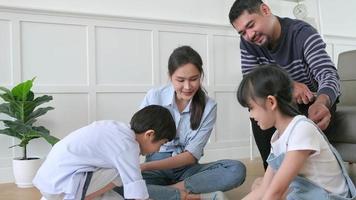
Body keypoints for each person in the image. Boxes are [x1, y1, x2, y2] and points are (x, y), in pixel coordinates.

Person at [229, 0, 341, 169]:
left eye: (251, 25)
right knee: (258, 104)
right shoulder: (248, 43)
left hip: (314, 101)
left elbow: (328, 75)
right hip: (279, 101)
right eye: (242, 32)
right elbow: (251, 83)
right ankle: (272, 173)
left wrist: (321, 102)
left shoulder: (303, 33)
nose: (249, 35)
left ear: (265, 10)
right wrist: (287, 85)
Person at [138, 46, 246, 200]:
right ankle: (197, 196)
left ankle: (167, 193)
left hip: (186, 170)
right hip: (155, 168)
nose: (188, 87)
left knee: (236, 169)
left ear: (201, 75)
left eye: (194, 79)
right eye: (180, 80)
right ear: (170, 76)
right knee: (120, 187)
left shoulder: (209, 106)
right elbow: (139, 137)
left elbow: (190, 156)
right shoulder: (154, 96)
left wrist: (145, 167)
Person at [237, 64, 356, 200]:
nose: (250, 115)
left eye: (251, 108)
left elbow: (274, 193)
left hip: (327, 197)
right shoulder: (277, 138)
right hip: (308, 194)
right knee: (259, 185)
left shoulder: (301, 130)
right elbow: (266, 187)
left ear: (271, 102)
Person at [33, 105, 176, 200]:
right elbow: (136, 191)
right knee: (124, 171)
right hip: (62, 186)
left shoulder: (118, 130)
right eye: (161, 144)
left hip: (51, 181)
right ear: (149, 134)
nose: (158, 150)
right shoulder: (128, 146)